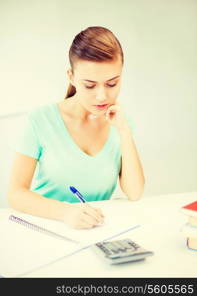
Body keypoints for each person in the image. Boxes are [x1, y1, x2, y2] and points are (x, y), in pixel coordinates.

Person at [7, 26, 145, 229]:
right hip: (46, 227)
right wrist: (65, 213)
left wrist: (124, 131)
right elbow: (16, 193)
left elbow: (134, 193)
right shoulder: (40, 120)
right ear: (71, 76)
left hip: (96, 230)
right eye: (90, 85)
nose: (102, 96)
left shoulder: (120, 121)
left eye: (112, 83)